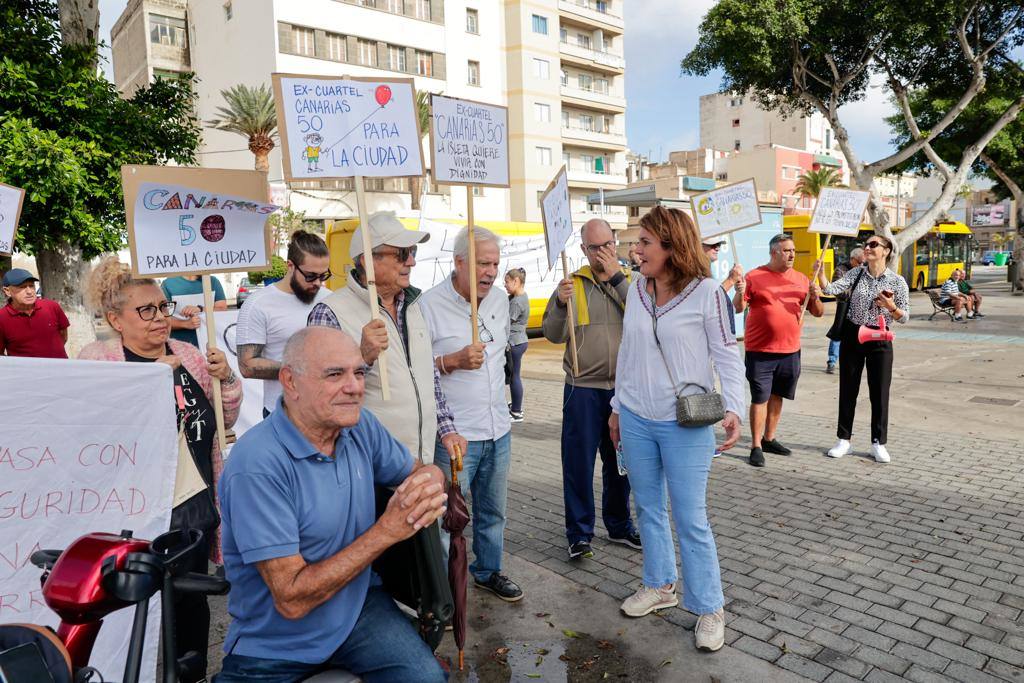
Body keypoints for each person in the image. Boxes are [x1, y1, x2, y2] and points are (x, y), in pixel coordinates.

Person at [215, 327, 447, 683]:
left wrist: (431, 483)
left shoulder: (359, 427)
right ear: (290, 382)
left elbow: (420, 471)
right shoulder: (256, 465)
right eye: (335, 374)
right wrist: (387, 531)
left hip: (358, 609)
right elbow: (291, 600)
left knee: (427, 678)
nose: (354, 387)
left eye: (359, 372)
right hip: (276, 642)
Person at [78, 257, 241, 683]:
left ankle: (192, 674)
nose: (159, 318)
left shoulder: (188, 353)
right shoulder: (97, 360)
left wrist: (227, 380)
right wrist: (150, 378)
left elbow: (224, 418)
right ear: (116, 319)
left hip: (192, 503)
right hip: (135, 509)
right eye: (145, 310)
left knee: (189, 600)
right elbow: (96, 426)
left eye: (163, 307)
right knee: (126, 606)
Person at [608, 206, 743, 653]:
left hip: (686, 423)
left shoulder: (707, 294)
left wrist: (735, 409)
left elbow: (726, 354)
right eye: (637, 242)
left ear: (671, 246)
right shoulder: (637, 292)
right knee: (647, 508)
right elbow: (627, 353)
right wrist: (615, 409)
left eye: (644, 242)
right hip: (635, 418)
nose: (636, 249)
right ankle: (660, 585)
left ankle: (709, 607)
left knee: (691, 519)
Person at [307, 210, 468, 465]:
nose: (412, 262)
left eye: (412, 252)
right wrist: (362, 358)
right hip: (369, 467)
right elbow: (317, 395)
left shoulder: (415, 305)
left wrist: (446, 430)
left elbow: (428, 377)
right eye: (403, 254)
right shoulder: (330, 313)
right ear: (368, 261)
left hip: (421, 461)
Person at [420, 226, 523, 602]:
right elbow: (414, 368)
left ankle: (488, 571)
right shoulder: (428, 306)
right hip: (455, 435)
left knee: (493, 512)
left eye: (495, 264)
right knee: (448, 519)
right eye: (483, 263)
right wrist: (451, 361)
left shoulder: (498, 300)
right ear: (459, 262)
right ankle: (444, 592)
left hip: (498, 428)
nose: (491, 272)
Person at [542, 218, 640, 561]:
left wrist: (616, 276)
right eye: (595, 247)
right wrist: (557, 301)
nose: (603, 253)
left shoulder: (632, 282)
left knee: (620, 464)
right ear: (583, 250)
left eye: (608, 244)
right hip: (582, 388)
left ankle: (619, 524)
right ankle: (579, 534)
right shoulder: (574, 284)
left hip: (623, 391)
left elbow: (646, 316)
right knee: (578, 464)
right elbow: (553, 335)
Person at [813, 234, 910, 463]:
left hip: (880, 340)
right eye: (866, 244)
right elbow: (831, 289)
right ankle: (843, 440)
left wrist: (891, 306)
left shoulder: (897, 281)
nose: (867, 247)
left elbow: (905, 316)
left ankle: (879, 442)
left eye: (873, 244)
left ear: (886, 251)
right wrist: (821, 274)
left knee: (880, 393)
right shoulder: (856, 273)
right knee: (848, 389)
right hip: (854, 335)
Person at [736, 234, 823, 467]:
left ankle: (769, 438)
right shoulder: (754, 276)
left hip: (790, 350)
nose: (792, 254)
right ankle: (755, 446)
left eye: (793, 250)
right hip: (760, 350)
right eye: (787, 250)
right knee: (760, 397)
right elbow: (738, 307)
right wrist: (738, 290)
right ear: (774, 252)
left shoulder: (802, 279)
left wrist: (815, 297)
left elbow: (818, 312)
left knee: (778, 396)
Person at [237, 230, 331, 418]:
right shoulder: (258, 303)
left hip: (326, 409)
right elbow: (247, 366)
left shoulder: (329, 299)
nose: (318, 283)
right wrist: (301, 371)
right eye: (311, 276)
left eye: (324, 276)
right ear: (290, 266)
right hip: (282, 413)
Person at [0, 268, 70, 358]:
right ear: (7, 291)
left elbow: (63, 337)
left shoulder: (52, 306)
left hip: (61, 369)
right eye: (22, 287)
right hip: (24, 371)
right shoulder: (2, 317)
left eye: (31, 286)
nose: (29, 291)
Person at [160, 274, 228, 347]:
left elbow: (222, 309)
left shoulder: (213, 281)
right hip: (180, 347)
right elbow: (162, 319)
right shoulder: (168, 284)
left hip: (210, 345)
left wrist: (200, 309)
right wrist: (185, 323)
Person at [505, 267, 529, 423]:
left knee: (513, 377)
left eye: (507, 282)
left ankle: (516, 411)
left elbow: (505, 323)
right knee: (515, 376)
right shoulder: (521, 296)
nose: (505, 285)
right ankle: (515, 405)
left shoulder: (516, 303)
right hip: (520, 341)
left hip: (514, 342)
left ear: (516, 281)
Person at [702, 237, 744, 314]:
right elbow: (708, 301)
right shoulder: (690, 270)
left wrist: (739, 292)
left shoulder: (708, 272)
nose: (717, 248)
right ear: (698, 246)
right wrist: (731, 280)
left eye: (718, 244)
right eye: (713, 245)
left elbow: (736, 309)